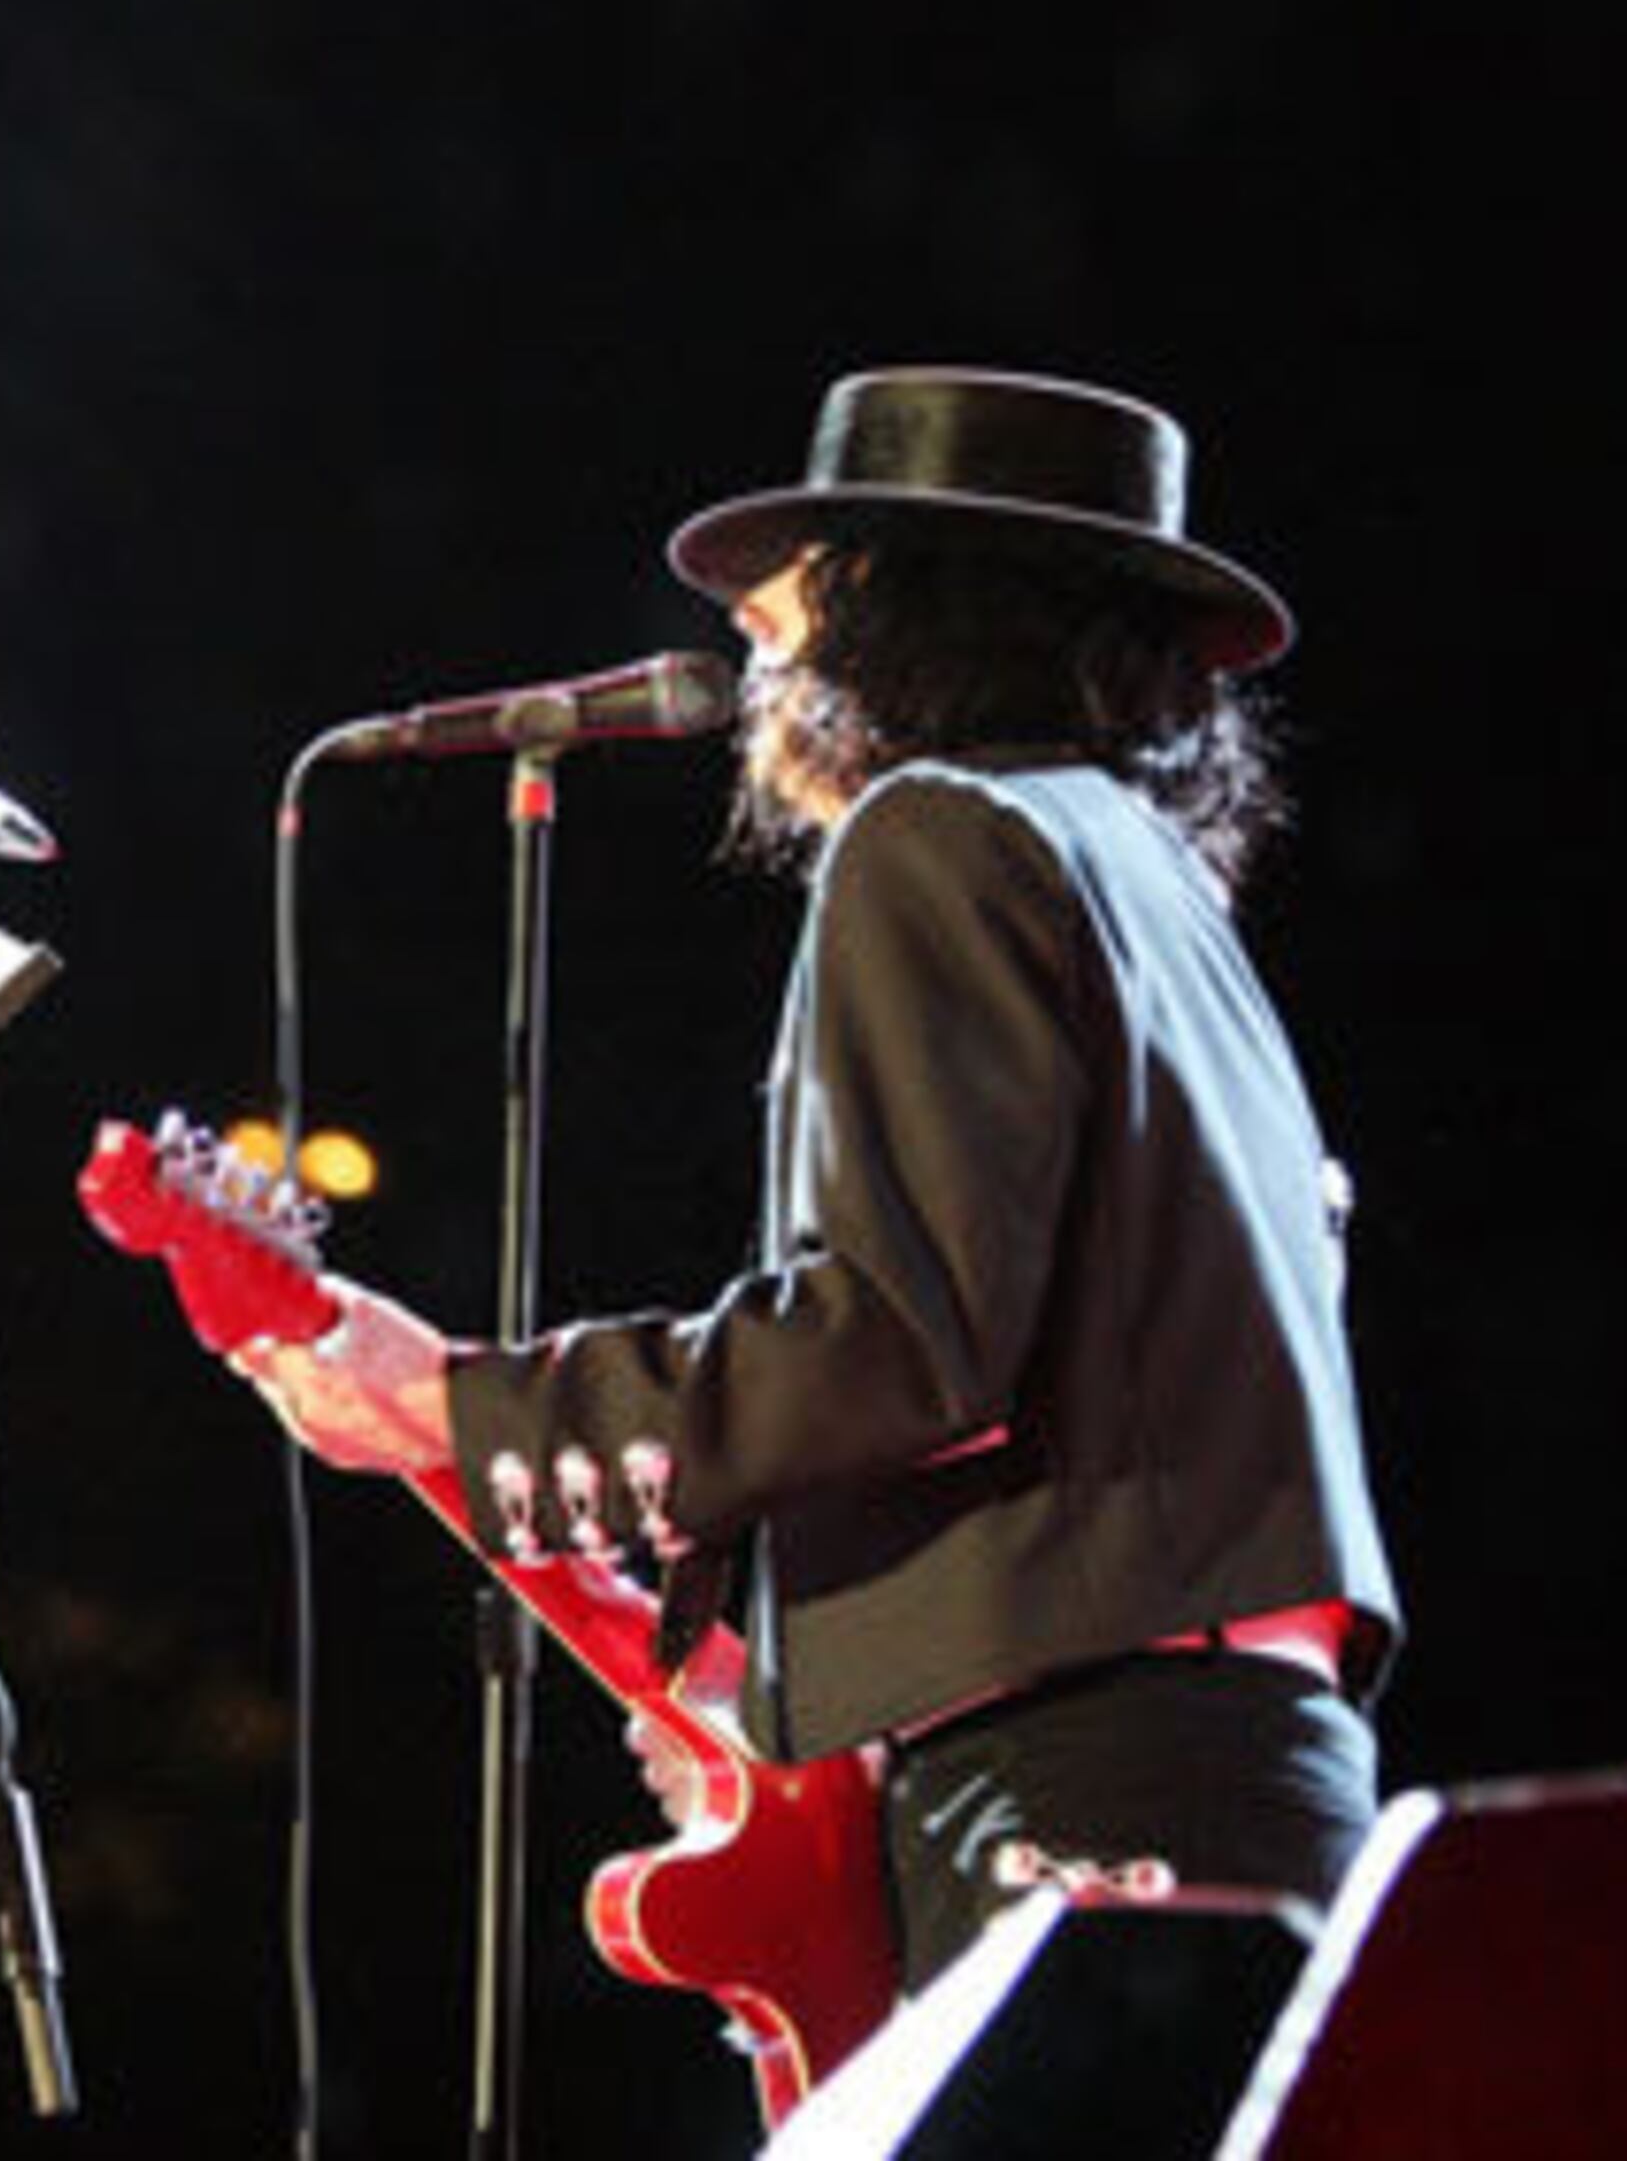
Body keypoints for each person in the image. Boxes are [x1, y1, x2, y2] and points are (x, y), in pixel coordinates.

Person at [240, 367, 1399, 1994]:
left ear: (911, 604)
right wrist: (782, 1684)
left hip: (1079, 1776)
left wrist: (472, 1404)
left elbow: (899, 1343)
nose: (754, 632)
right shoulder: (1162, 892)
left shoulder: (939, 831)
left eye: (798, 587)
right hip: (1246, 1754)